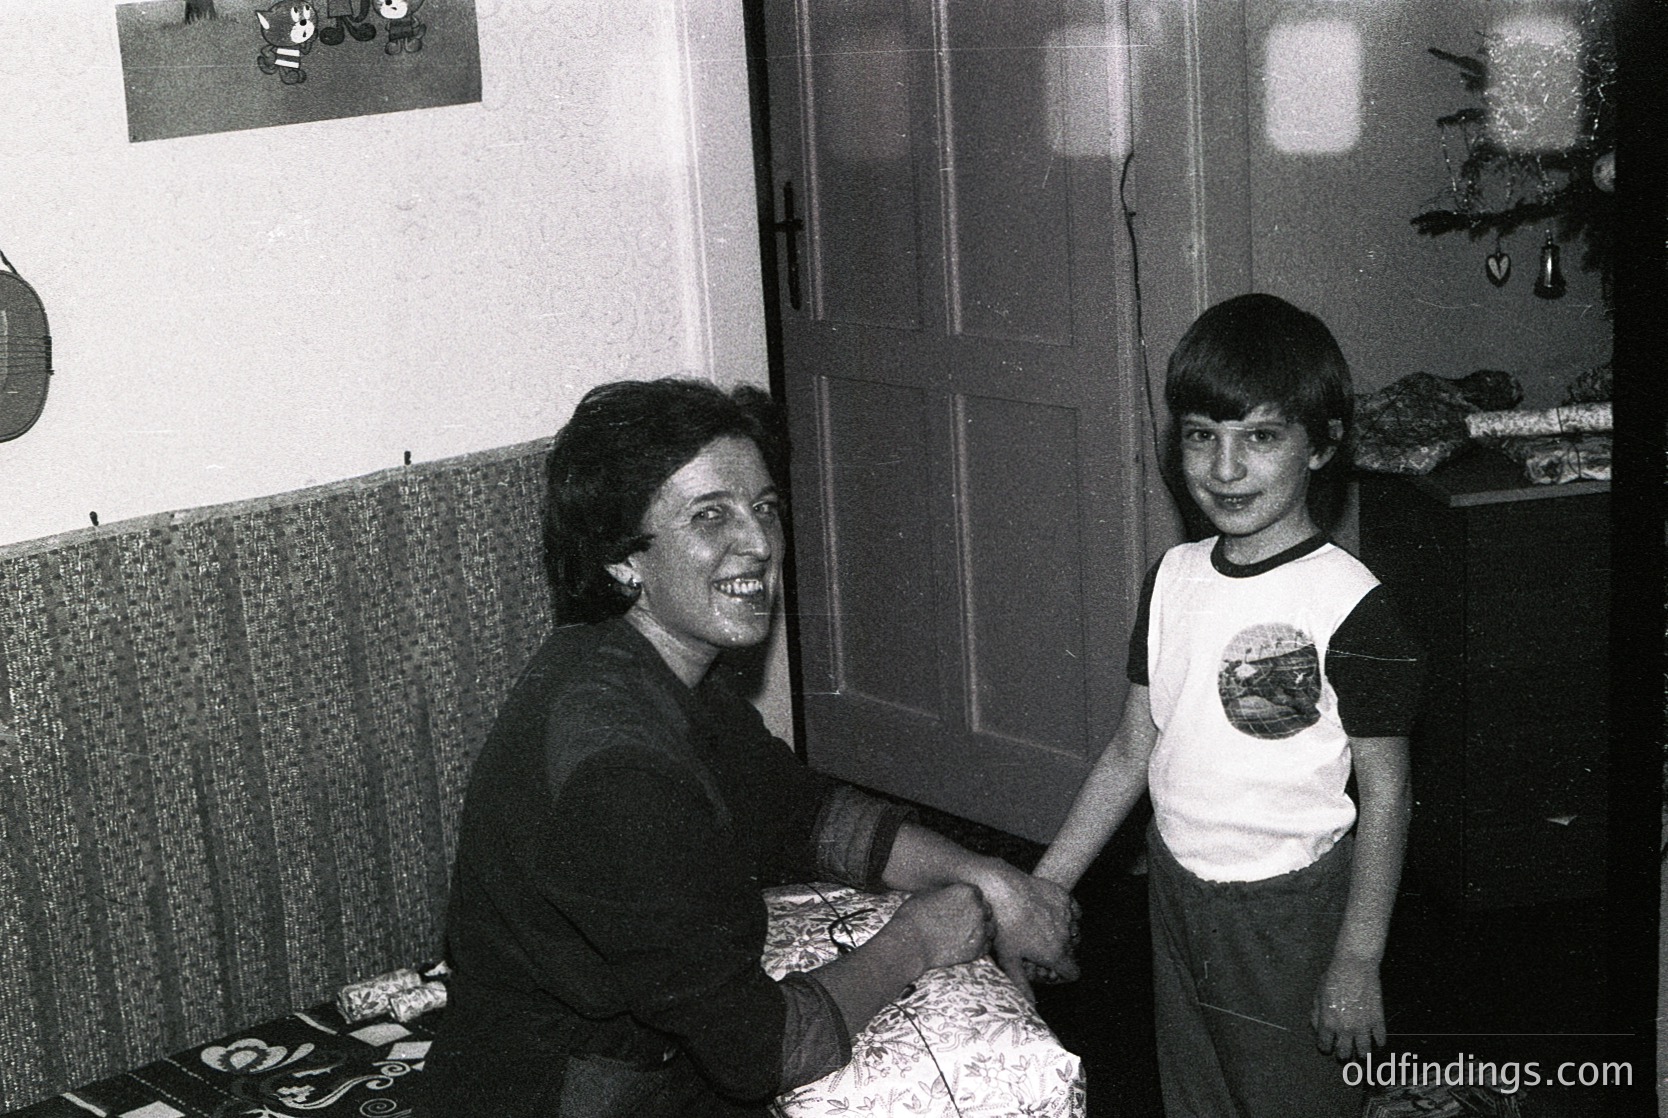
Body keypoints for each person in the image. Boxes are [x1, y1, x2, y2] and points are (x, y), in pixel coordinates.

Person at [421, 378, 1079, 1117]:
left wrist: (987, 877)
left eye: (765, 508)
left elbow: (798, 812)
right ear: (620, 559)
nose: (761, 544)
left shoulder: (656, 670)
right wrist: (917, 940)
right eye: (711, 516)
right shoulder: (619, 769)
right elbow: (762, 1052)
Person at [1034, 294, 1424, 1117]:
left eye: (1261, 437)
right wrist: (1050, 882)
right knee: (1198, 1094)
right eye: (1202, 436)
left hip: (1291, 910)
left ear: (1322, 446)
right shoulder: (1172, 579)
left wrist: (1358, 959)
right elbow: (1130, 751)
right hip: (1175, 890)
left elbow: (1387, 791)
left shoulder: (1351, 604)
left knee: (1293, 1099)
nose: (1224, 467)